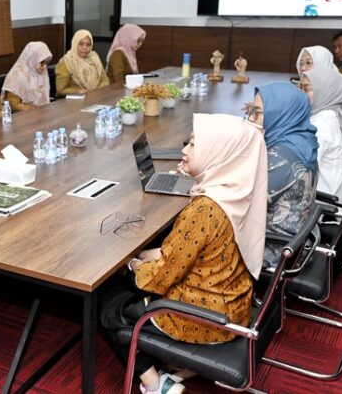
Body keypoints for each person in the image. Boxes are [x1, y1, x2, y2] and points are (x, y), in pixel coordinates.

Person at [101, 113, 268, 394]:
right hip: (233, 302)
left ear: (218, 154)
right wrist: (147, 254)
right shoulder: (236, 191)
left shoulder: (204, 209)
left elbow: (163, 277)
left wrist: (130, 265)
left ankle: (156, 385)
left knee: (107, 301)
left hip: (208, 317)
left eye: (193, 145)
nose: (184, 151)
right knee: (140, 265)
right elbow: (187, 253)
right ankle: (179, 365)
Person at [245, 83, 319, 268]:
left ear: (280, 114)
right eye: (250, 110)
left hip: (277, 250)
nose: (250, 118)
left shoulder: (281, 160)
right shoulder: (300, 141)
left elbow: (238, 200)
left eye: (257, 112)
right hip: (297, 240)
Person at [301, 66, 342, 199]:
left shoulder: (321, 125)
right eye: (300, 87)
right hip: (330, 192)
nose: (300, 94)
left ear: (324, 91)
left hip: (322, 203)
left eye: (306, 89)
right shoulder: (330, 113)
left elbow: (301, 170)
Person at [55, 29, 109, 97]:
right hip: (73, 102)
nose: (85, 48)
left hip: (94, 97)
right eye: (81, 44)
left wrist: (95, 91)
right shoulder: (66, 62)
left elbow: (105, 81)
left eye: (88, 45)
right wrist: (79, 91)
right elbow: (61, 89)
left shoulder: (94, 57)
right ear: (75, 44)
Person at [1, 41, 53, 111]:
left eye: (47, 62)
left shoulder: (40, 69)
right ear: (33, 58)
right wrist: (36, 111)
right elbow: (13, 105)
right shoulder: (16, 75)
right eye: (42, 62)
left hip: (42, 113)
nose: (44, 66)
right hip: (24, 116)